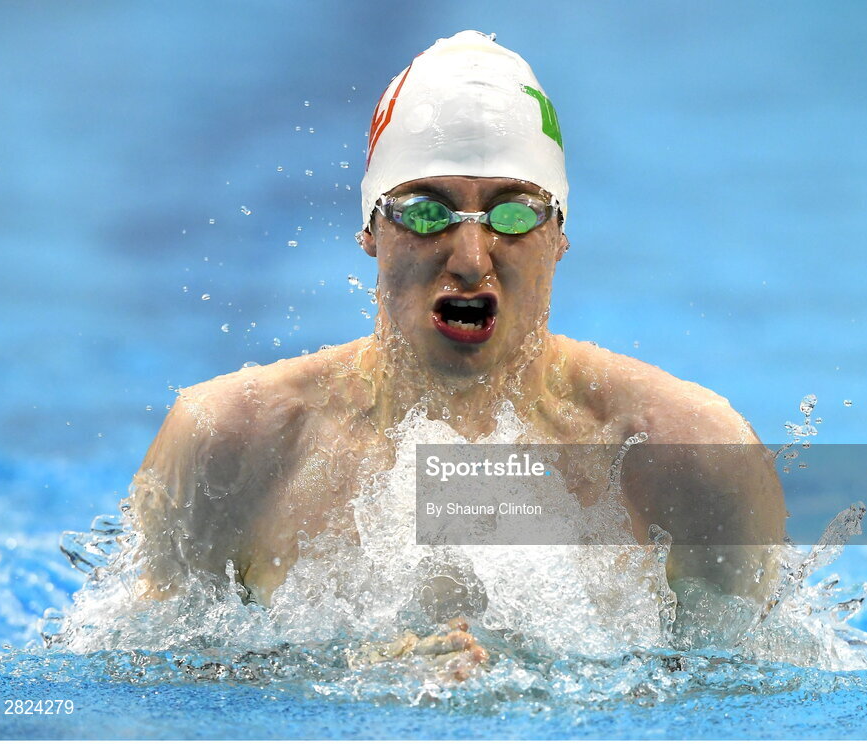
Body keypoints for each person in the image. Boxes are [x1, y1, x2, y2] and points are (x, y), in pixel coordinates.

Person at [128, 31, 785, 676]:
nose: (471, 261)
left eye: (513, 214)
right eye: (424, 213)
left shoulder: (695, 456)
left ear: (559, 234)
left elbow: (751, 703)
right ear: (369, 229)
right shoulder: (229, 444)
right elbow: (145, 689)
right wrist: (354, 678)